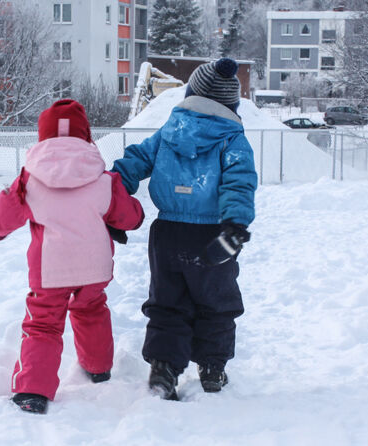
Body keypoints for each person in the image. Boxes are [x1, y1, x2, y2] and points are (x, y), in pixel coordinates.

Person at [0, 99, 145, 414]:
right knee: (91, 310)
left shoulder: (29, 179)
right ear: (86, 135)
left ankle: (32, 390)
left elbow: (5, 214)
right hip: (95, 268)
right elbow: (129, 216)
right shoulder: (104, 179)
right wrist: (135, 214)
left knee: (43, 325)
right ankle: (98, 368)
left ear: (43, 135)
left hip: (50, 271)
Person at [110, 58, 257, 401]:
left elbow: (135, 161)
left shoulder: (170, 130)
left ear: (191, 92)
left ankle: (164, 367)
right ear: (231, 103)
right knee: (216, 302)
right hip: (212, 235)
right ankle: (212, 367)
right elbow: (239, 183)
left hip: (168, 233)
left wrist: (110, 198)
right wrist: (235, 225)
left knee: (168, 301)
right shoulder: (232, 140)